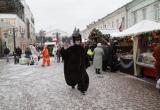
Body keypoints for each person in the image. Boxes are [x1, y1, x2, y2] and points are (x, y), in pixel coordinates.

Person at [62, 28, 89, 95]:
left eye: (79, 40)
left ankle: (82, 89)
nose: (78, 41)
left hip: (81, 66)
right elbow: (65, 56)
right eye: (77, 40)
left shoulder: (82, 48)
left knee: (84, 78)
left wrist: (86, 63)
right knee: (73, 77)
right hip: (73, 67)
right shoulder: (71, 48)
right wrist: (64, 50)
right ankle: (73, 84)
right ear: (74, 41)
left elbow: (85, 56)